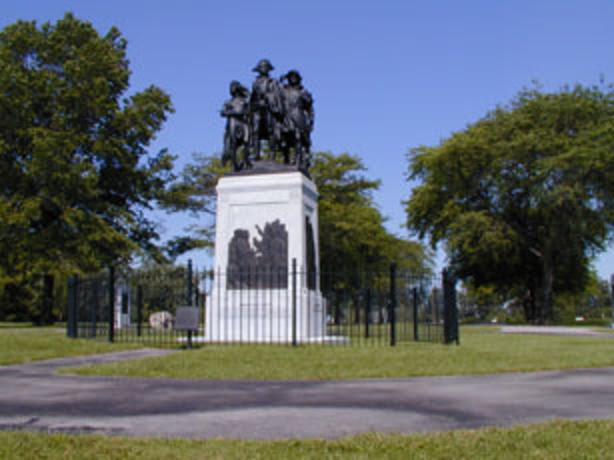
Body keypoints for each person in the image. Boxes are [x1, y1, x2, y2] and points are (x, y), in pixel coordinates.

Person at [280, 70, 314, 170]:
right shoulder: (283, 90)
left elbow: (309, 107)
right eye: (290, 77)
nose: (293, 79)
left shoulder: (303, 92)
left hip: (298, 114)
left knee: (298, 137)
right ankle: (286, 159)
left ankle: (298, 159)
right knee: (283, 138)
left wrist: (310, 121)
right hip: (286, 115)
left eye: (295, 77)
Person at [249, 59, 283, 160]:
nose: (263, 69)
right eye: (261, 67)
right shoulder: (255, 82)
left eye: (265, 67)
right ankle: (256, 154)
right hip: (258, 109)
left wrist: (270, 99)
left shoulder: (273, 82)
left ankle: (272, 155)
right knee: (255, 130)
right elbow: (252, 98)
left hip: (269, 109)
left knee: (271, 130)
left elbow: (277, 96)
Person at [220, 80, 250, 171]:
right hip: (233, 124)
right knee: (232, 144)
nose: (232, 90)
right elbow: (223, 113)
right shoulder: (228, 102)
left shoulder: (244, 101)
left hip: (243, 123)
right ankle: (234, 164)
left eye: (233, 87)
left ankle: (245, 161)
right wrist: (233, 112)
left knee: (246, 142)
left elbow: (248, 111)